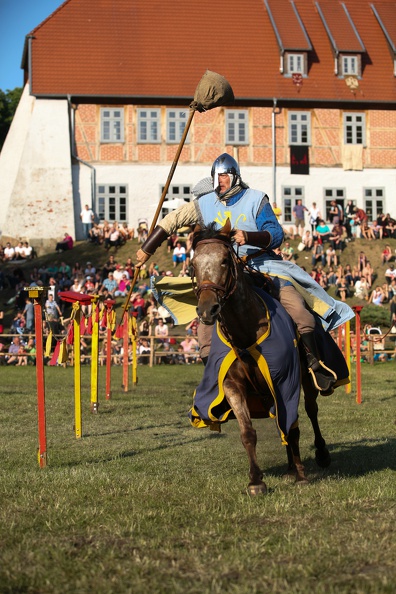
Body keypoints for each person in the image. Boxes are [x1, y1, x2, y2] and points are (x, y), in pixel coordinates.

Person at [137, 153, 353, 393]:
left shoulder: (255, 199)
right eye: (216, 176)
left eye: (224, 176)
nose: (219, 180)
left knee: (300, 313)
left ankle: (314, 364)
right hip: (221, 274)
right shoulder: (205, 203)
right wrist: (147, 249)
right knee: (205, 324)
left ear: (235, 176)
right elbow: (173, 220)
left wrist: (249, 236)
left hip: (262, 265)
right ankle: (213, 379)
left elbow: (276, 233)